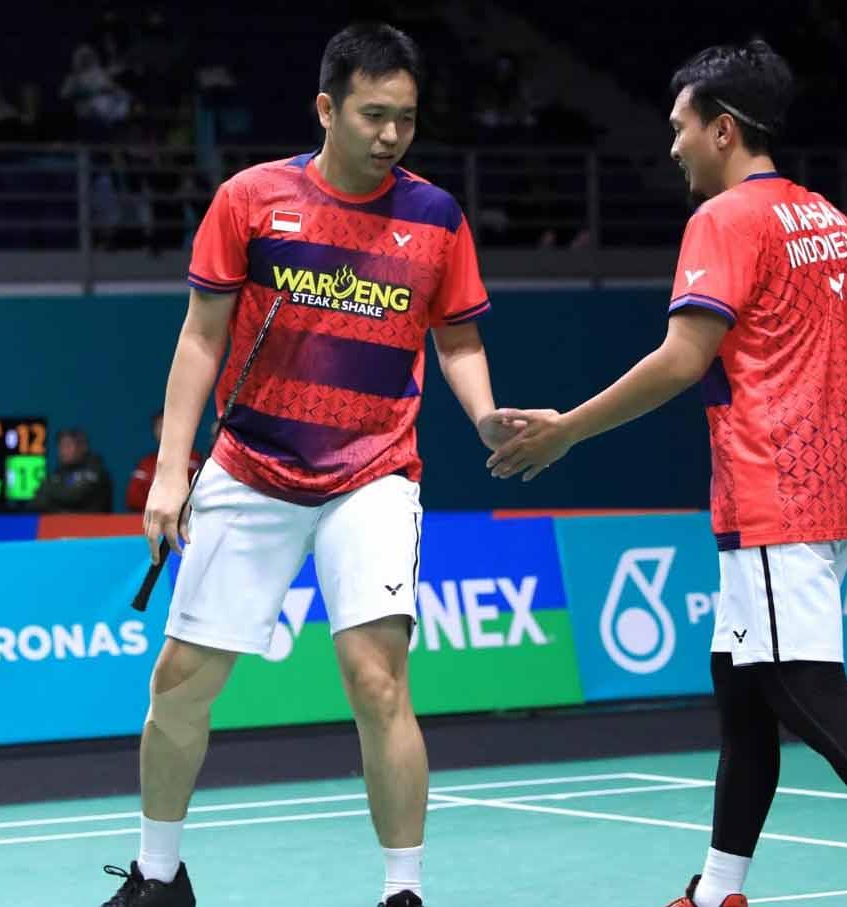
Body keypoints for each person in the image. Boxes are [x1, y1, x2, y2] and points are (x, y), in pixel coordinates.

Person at [486, 40, 847, 907]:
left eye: (680, 128)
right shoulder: (842, 229)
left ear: (724, 130)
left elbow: (680, 357)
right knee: (744, 698)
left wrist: (568, 432)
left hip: (773, 493)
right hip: (830, 499)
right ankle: (718, 892)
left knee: (806, 690)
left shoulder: (725, 222)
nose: (672, 146)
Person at [100, 22, 514, 907]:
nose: (391, 135)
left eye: (405, 117)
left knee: (377, 680)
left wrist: (484, 415)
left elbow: (460, 339)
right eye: (373, 114)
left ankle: (403, 892)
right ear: (326, 108)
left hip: (373, 470)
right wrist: (173, 469)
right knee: (179, 683)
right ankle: (159, 878)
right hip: (251, 466)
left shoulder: (435, 217)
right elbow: (201, 336)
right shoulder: (253, 200)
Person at [126, 409, 202, 513]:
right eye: (160, 426)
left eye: (168, 425)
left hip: (186, 519)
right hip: (150, 519)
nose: (164, 430)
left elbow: (197, 495)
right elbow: (133, 498)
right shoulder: (146, 463)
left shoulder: (194, 459)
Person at [35, 427, 113, 513]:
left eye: (68, 445)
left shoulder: (96, 470)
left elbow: (75, 496)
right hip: (59, 525)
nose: (63, 451)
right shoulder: (57, 474)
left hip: (91, 525)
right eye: (61, 446)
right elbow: (37, 503)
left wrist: (49, 491)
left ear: (83, 447)